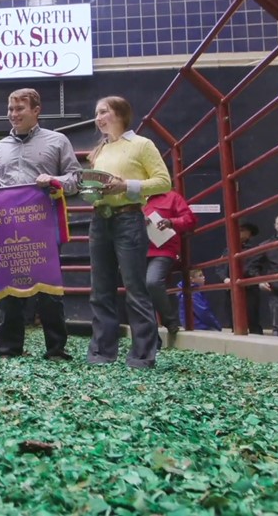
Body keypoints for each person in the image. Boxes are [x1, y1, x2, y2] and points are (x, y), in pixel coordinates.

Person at [0, 88, 80, 360]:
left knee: (49, 289)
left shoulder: (57, 140)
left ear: (36, 111)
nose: (13, 115)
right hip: (6, 225)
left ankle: (56, 349)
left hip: (43, 224)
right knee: (7, 288)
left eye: (20, 109)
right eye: (10, 109)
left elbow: (76, 179)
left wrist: (55, 181)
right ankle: (8, 350)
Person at [85, 96, 171, 368]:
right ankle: (101, 352)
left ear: (120, 114)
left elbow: (163, 182)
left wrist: (126, 187)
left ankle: (143, 354)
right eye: (96, 113)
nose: (98, 118)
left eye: (103, 112)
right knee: (100, 289)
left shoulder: (142, 145)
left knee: (135, 287)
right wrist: (88, 190)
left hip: (129, 218)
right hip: (100, 218)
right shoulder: (99, 151)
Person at [143, 189, 197, 349]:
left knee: (152, 282)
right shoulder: (132, 197)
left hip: (164, 249)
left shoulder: (172, 197)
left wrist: (171, 221)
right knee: (140, 292)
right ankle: (152, 340)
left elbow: (190, 220)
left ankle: (169, 321)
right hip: (137, 251)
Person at [217, 221, 264, 333]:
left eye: (242, 230)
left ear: (250, 234)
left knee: (252, 317)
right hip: (231, 289)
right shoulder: (228, 250)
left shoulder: (254, 249)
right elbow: (219, 267)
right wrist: (225, 278)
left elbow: (251, 268)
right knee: (233, 318)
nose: (238, 233)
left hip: (249, 288)